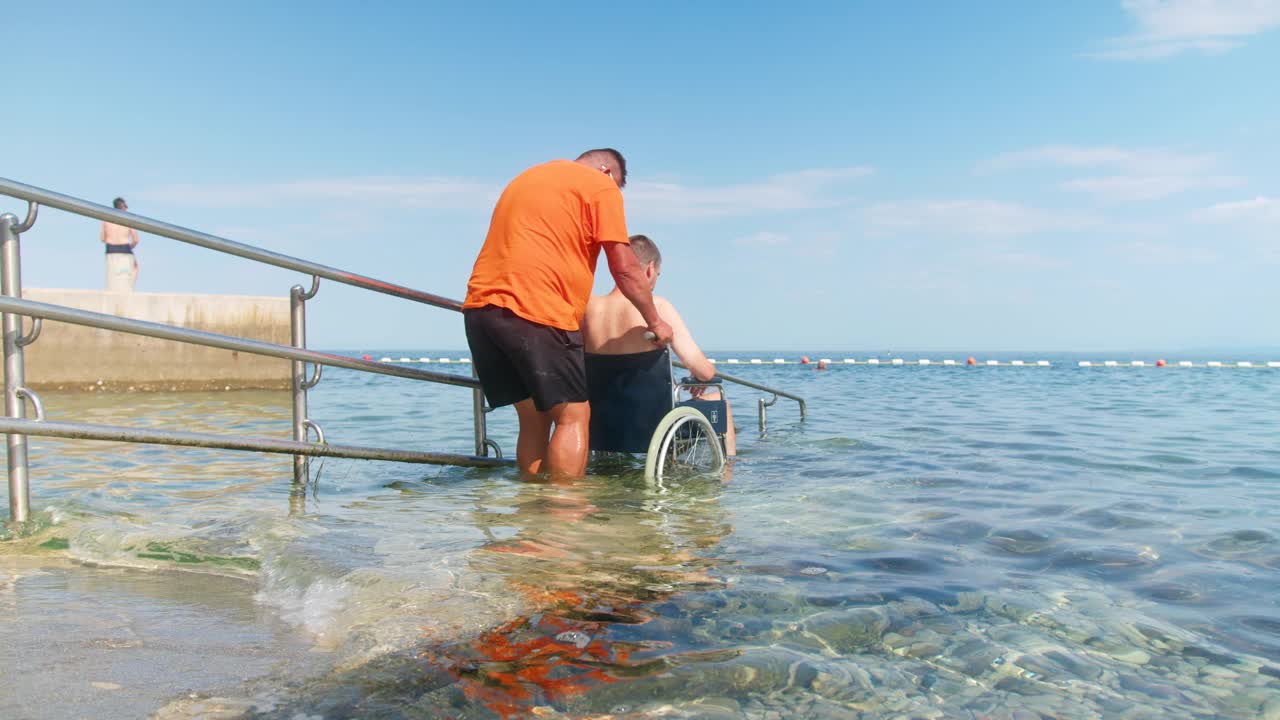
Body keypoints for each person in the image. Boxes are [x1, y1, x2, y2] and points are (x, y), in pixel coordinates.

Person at [463, 149, 674, 478]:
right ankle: (566, 515)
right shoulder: (599, 185)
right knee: (574, 416)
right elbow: (624, 268)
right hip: (538, 309)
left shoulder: (527, 177)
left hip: (481, 310)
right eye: (616, 187)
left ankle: (532, 514)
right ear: (606, 171)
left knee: (535, 419)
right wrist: (655, 321)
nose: (614, 196)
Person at [581, 234, 736, 456]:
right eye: (658, 276)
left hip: (602, 427)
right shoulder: (658, 308)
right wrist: (699, 379)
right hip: (655, 427)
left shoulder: (589, 308)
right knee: (720, 400)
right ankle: (729, 476)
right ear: (650, 269)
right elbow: (705, 370)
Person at [101, 197, 138, 291]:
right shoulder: (128, 219)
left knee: (112, 272)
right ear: (123, 207)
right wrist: (130, 247)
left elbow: (102, 238)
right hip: (125, 246)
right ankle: (130, 289)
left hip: (110, 247)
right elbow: (136, 240)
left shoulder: (106, 219)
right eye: (126, 206)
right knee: (134, 268)